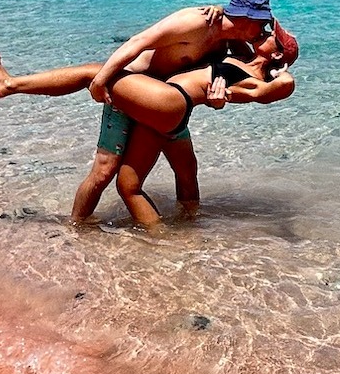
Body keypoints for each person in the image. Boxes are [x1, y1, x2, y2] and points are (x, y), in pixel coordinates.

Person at [0, 0, 277, 221]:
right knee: (104, 171)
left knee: (186, 170)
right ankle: (75, 228)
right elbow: (138, 42)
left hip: (161, 102)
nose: (264, 28)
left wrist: (218, 103)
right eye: (261, 22)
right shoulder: (195, 22)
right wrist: (103, 80)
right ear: (246, 18)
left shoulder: (227, 45)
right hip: (133, 88)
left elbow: (221, 85)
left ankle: (191, 227)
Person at [114, 27, 298, 226]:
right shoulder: (243, 55)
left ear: (277, 53)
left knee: (128, 187)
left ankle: (160, 240)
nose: (268, 32)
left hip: (169, 104)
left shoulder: (255, 82)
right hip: (176, 109)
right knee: (187, 175)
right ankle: (191, 225)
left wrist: (279, 72)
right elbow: (232, 26)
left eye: (274, 36)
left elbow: (286, 84)